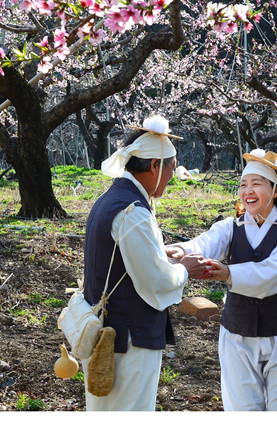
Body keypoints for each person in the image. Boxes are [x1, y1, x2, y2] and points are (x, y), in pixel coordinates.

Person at [167, 149, 277, 411]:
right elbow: (205, 243)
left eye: (257, 184)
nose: (248, 191)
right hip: (238, 334)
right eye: (243, 184)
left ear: (275, 190)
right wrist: (181, 250)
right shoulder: (230, 227)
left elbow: (275, 272)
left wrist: (230, 273)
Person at [82, 115, 209, 411]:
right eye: (171, 169)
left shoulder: (109, 199)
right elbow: (156, 281)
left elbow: (123, 258)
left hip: (106, 335)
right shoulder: (133, 211)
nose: (171, 177)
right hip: (128, 341)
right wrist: (184, 269)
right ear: (154, 166)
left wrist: (159, 253)